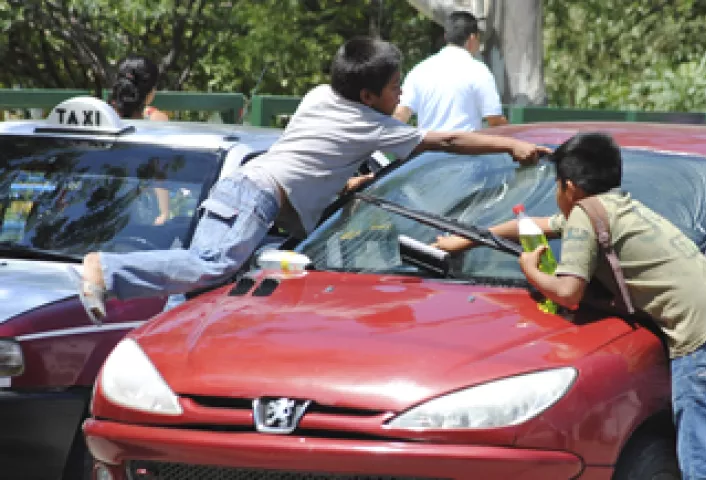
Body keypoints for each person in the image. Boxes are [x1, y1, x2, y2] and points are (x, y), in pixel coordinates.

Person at [74, 36, 551, 323]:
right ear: (367, 94)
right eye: (393, 87)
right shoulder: (372, 124)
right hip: (256, 196)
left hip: (243, 188)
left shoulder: (320, 94)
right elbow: (445, 141)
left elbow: (311, 158)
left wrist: (345, 187)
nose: (401, 92)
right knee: (213, 265)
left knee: (195, 287)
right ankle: (108, 270)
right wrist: (509, 144)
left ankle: (162, 335)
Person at [434, 132, 706, 480]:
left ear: (569, 187)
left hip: (703, 344)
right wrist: (465, 239)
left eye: (556, 187)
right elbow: (532, 226)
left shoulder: (584, 217)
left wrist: (531, 271)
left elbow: (569, 292)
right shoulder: (619, 208)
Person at [392, 11, 508, 131]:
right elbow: (495, 120)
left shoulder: (420, 70)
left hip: (427, 148)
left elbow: (400, 115)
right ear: (472, 38)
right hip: (464, 148)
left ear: (446, 36)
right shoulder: (479, 71)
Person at [110, 55, 171, 225]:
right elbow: (160, 172)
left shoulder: (101, 115)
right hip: (141, 215)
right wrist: (164, 213)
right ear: (150, 93)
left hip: (103, 208)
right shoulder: (156, 120)